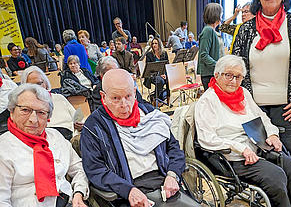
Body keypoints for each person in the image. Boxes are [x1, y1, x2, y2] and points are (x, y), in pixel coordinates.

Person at [195, 55, 291, 207]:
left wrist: (272, 133)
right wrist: (240, 148)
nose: (233, 81)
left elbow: (261, 116)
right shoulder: (207, 101)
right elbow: (207, 138)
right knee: (276, 177)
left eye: (238, 77)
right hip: (231, 157)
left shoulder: (243, 93)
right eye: (228, 75)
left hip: (257, 146)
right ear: (217, 75)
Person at [80, 69, 200, 207]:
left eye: (128, 96)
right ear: (103, 97)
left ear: (135, 93)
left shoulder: (150, 115)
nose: (124, 105)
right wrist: (128, 190)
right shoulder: (94, 127)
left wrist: (173, 175)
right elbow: (95, 169)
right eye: (115, 98)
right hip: (127, 191)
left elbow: (173, 148)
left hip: (164, 181)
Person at [232, 0, 291, 162]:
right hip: (252, 107)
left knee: (289, 161)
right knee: (261, 163)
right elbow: (236, 67)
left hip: (286, 108)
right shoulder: (245, 29)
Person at [0, 84, 89, 207]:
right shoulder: (3, 148)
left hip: (68, 201)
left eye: (41, 112)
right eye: (25, 110)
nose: (33, 119)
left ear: (48, 117)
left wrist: (79, 193)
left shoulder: (55, 137)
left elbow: (79, 169)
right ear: (12, 112)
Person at [21, 66, 84, 137]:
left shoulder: (59, 98)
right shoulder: (24, 107)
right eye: (32, 86)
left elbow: (78, 119)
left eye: (39, 83)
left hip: (71, 136)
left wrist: (79, 125)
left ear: (46, 83)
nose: (37, 88)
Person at [197, 3, 224, 91]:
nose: (221, 16)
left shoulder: (212, 30)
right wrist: (218, 65)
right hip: (209, 74)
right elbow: (203, 55)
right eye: (221, 14)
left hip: (213, 72)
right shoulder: (208, 30)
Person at [145, 37, 169, 103]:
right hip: (152, 75)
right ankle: (156, 99)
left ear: (159, 45)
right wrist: (160, 75)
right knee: (160, 81)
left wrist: (165, 75)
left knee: (169, 79)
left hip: (162, 74)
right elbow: (149, 69)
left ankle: (157, 97)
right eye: (153, 43)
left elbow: (167, 66)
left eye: (156, 43)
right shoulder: (149, 55)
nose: (154, 45)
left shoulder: (164, 54)